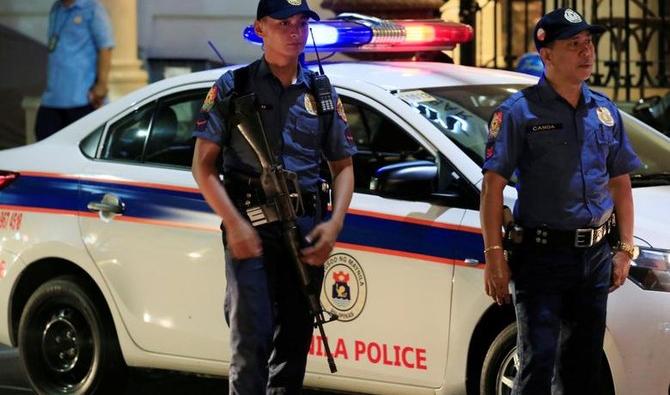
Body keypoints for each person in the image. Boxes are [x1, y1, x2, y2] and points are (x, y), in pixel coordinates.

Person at [191, 0, 356, 393]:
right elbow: (202, 166)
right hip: (250, 226)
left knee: (294, 343)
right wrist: (234, 225)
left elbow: (344, 166)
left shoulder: (321, 89)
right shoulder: (234, 87)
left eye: (301, 22)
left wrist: (334, 224)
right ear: (260, 28)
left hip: (305, 228)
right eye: (283, 23)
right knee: (251, 342)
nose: (295, 31)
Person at [480, 8, 641, 395]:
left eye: (588, 44)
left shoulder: (604, 111)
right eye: (574, 45)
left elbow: (620, 183)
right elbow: (492, 187)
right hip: (542, 258)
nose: (587, 53)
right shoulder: (518, 113)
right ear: (547, 54)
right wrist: (494, 255)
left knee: (583, 371)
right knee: (537, 365)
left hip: (595, 257)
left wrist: (624, 248)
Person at [35, 0, 114, 141]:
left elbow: (105, 48)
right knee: (43, 145)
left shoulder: (92, 8)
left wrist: (102, 85)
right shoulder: (56, 8)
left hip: (81, 98)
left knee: (77, 151)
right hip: (52, 98)